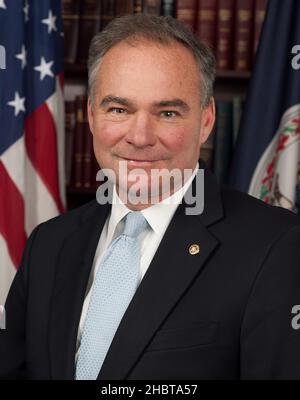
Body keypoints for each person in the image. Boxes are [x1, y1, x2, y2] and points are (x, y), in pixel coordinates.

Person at [1, 13, 300, 380]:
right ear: (92, 115)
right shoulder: (49, 243)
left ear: (206, 121)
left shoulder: (277, 246)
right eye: (119, 109)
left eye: (168, 112)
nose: (140, 137)